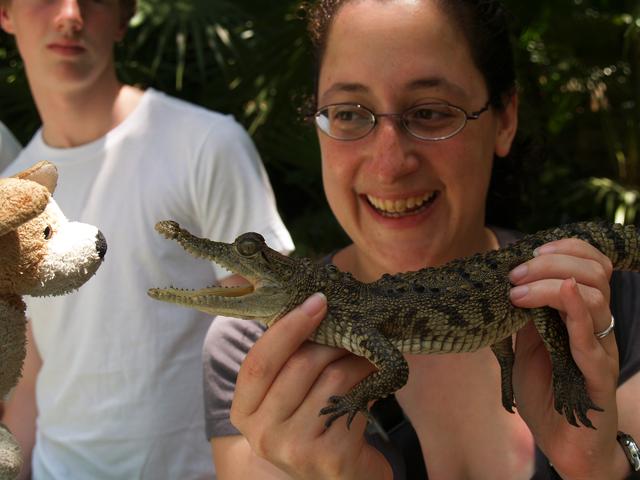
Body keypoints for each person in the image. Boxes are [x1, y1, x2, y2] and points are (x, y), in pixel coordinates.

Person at [202, 0, 640, 478]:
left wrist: (598, 466)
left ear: (505, 118)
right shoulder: (244, 350)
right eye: (348, 112)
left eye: (431, 112)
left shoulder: (614, 299)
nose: (390, 164)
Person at [0, 0, 293, 478]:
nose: (70, 15)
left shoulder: (206, 144)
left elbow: (277, 329)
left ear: (123, 16)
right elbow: (34, 376)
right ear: (6, 14)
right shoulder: (15, 196)